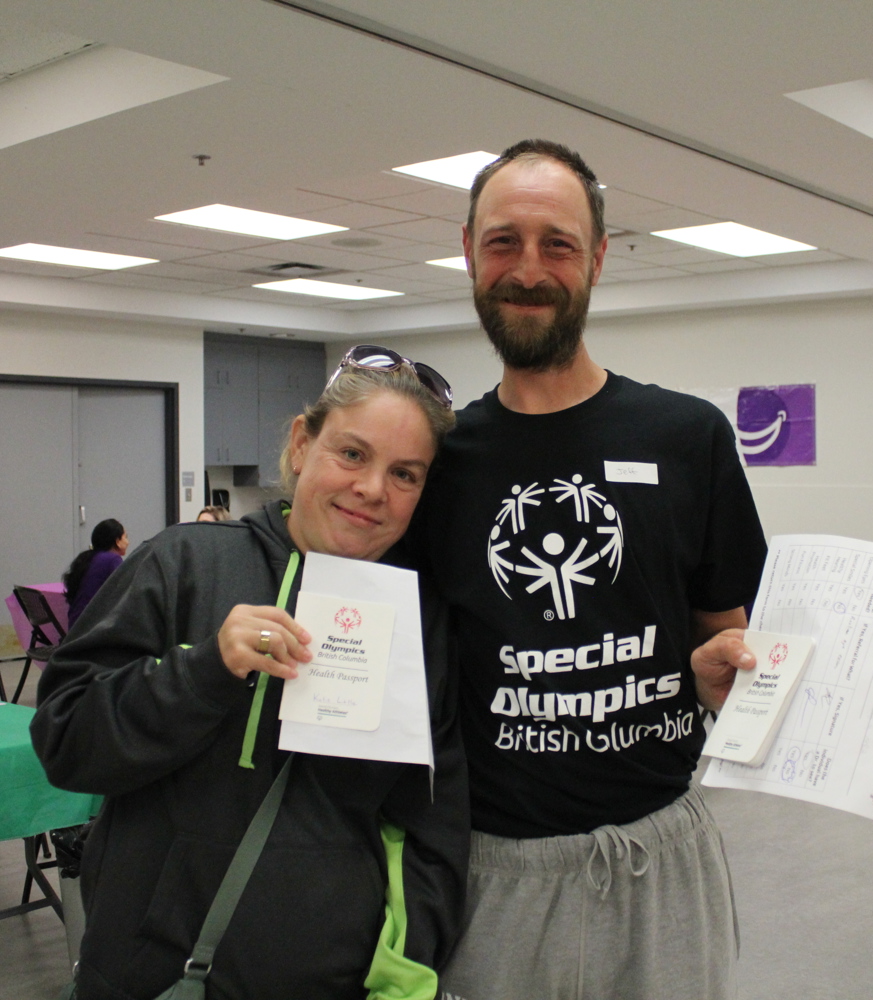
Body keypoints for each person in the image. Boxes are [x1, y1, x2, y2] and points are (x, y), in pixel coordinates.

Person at [414, 140, 769, 1000]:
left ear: (598, 259)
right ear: (467, 250)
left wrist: (726, 676)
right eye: (503, 242)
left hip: (662, 862)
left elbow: (727, 641)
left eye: (557, 244)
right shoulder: (437, 460)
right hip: (495, 877)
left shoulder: (687, 438)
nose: (527, 269)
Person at [31, 348, 468, 1000]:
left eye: (405, 474)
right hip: (149, 977)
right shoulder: (183, 564)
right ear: (301, 443)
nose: (373, 488)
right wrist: (203, 669)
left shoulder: (419, 620)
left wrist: (401, 970)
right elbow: (67, 742)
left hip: (326, 983)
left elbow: (435, 829)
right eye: (352, 454)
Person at [63, 518, 129, 629]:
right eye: (125, 537)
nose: (128, 542)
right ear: (117, 541)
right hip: (93, 631)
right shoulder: (112, 560)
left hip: (75, 628)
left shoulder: (87, 558)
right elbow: (124, 593)